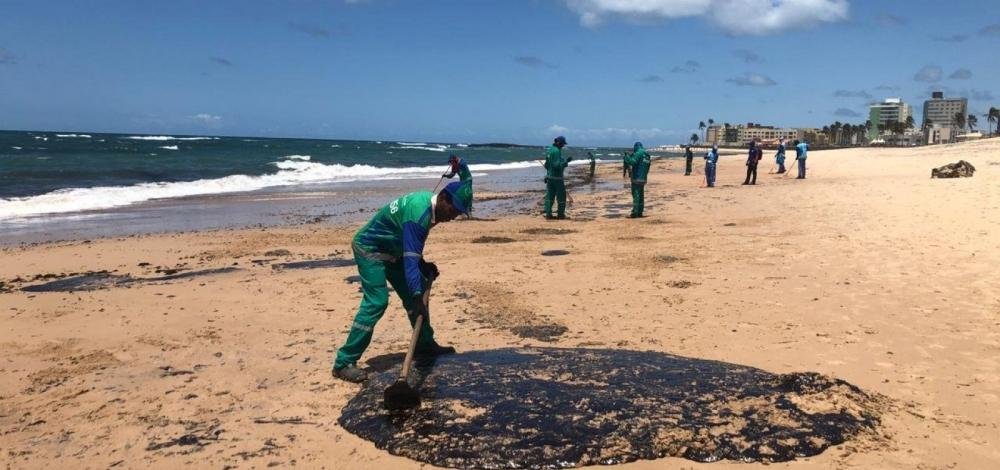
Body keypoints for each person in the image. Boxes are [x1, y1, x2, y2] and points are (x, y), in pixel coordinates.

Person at [332, 181, 473, 383]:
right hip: (370, 249)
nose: (454, 216)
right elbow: (410, 259)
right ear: (443, 197)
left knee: (416, 292)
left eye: (459, 213)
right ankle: (343, 363)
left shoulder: (429, 208)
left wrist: (422, 266)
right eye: (454, 209)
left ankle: (424, 345)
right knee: (377, 301)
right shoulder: (419, 214)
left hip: (393, 251)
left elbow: (411, 246)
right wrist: (416, 295)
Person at [544, 136, 571, 219]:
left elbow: (546, 165)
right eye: (562, 144)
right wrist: (566, 162)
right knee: (561, 196)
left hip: (549, 177)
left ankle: (548, 214)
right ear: (559, 143)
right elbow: (557, 166)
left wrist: (547, 175)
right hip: (557, 178)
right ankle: (560, 215)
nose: (563, 146)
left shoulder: (550, 150)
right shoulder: (556, 151)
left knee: (549, 196)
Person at [625, 142, 651, 217]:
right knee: (641, 195)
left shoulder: (638, 153)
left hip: (636, 178)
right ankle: (640, 211)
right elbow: (648, 166)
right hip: (643, 178)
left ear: (636, 147)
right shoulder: (646, 155)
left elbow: (632, 162)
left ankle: (635, 212)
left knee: (636, 195)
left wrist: (626, 156)